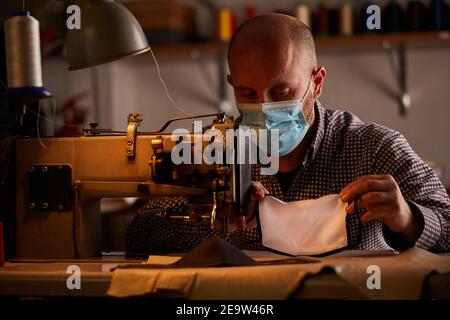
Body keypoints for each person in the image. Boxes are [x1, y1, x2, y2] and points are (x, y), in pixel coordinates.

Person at [126, 14, 449, 254]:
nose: (264, 108)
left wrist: (408, 218)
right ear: (232, 86)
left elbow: (446, 225)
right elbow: (139, 237)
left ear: (317, 83)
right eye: (248, 94)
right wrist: (211, 214)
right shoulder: (214, 148)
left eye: (281, 92)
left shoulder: (373, 148)